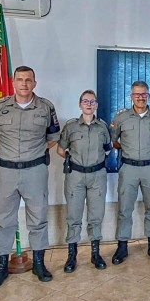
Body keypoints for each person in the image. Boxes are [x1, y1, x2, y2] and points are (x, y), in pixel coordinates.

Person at [0, 66, 60, 289]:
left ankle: (38, 263)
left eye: (28, 80)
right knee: (4, 220)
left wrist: (31, 155)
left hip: (35, 170)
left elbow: (53, 137)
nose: (24, 84)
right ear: (13, 83)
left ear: (34, 83)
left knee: (38, 218)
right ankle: (1, 268)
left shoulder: (46, 107)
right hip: (6, 171)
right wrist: (10, 155)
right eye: (20, 80)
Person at [110, 80, 150, 264]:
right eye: (137, 94)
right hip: (129, 168)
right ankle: (122, 246)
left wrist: (149, 152)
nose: (140, 97)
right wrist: (128, 150)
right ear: (131, 96)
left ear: (148, 96)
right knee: (125, 209)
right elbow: (113, 141)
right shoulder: (121, 117)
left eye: (144, 94)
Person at [56, 90, 112, 272]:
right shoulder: (71, 127)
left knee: (96, 216)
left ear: (96, 105)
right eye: (85, 101)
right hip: (75, 177)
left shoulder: (103, 127)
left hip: (97, 176)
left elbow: (108, 149)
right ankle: (72, 256)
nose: (89, 104)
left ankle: (95, 254)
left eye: (92, 101)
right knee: (74, 216)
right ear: (80, 104)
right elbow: (60, 149)